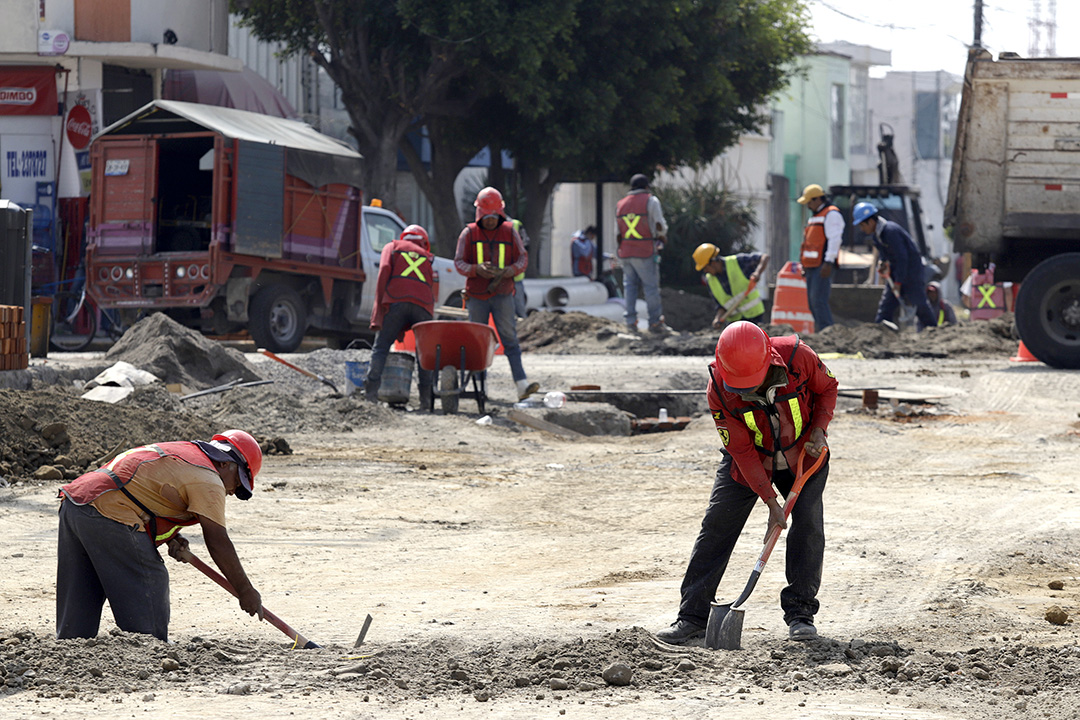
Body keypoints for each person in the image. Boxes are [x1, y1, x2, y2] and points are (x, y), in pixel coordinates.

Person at [656, 321, 837, 644]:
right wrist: (770, 501)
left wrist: (819, 428)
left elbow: (828, 388)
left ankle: (800, 614)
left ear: (769, 359)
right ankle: (692, 617)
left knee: (808, 526)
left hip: (804, 458)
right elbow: (740, 448)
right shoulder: (719, 389)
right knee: (716, 527)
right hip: (749, 462)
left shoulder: (798, 358)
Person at [56, 430, 264, 641]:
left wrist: (170, 536)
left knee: (80, 596)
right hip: (109, 514)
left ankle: (69, 649)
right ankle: (150, 649)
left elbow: (145, 490)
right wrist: (245, 590)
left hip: (75, 503)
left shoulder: (183, 453)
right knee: (150, 578)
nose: (232, 490)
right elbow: (218, 541)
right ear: (225, 463)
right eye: (237, 482)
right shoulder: (208, 478)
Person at [454, 187, 539, 401]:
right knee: (478, 342)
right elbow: (459, 262)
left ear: (500, 213)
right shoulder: (469, 233)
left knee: (510, 339)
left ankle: (521, 385)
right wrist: (476, 270)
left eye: (494, 216)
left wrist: (510, 271)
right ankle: (480, 389)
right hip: (477, 296)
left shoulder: (510, 231)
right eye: (487, 216)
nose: (490, 221)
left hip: (502, 293)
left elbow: (522, 259)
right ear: (479, 214)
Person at [365, 224, 436, 408]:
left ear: (405, 237)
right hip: (423, 307)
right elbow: (430, 289)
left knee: (381, 348)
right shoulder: (428, 257)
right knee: (424, 354)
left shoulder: (393, 246)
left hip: (395, 300)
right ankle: (426, 402)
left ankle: (370, 396)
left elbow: (384, 271)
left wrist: (378, 311)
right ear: (424, 242)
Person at [851, 202, 937, 330]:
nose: (862, 229)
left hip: (911, 271)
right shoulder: (877, 235)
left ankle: (933, 330)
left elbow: (902, 258)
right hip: (897, 272)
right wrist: (883, 263)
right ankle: (879, 331)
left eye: (862, 225)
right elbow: (885, 254)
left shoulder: (891, 232)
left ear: (870, 222)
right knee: (886, 305)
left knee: (918, 303)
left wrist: (898, 282)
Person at [616, 174, 671, 334]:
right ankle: (655, 322)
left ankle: (630, 322)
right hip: (645, 250)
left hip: (625, 252)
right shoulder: (650, 200)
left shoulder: (620, 204)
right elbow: (660, 225)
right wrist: (661, 236)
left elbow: (617, 232)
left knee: (630, 287)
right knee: (651, 288)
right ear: (646, 186)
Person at [796, 184, 843, 331]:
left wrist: (828, 262)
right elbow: (809, 242)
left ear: (817, 199)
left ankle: (827, 330)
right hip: (812, 265)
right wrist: (804, 263)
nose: (808, 206)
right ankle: (822, 329)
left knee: (818, 300)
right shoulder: (816, 217)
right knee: (812, 302)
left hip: (822, 265)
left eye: (809, 202)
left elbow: (835, 239)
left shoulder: (831, 214)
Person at [692, 243, 769, 328]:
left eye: (705, 267)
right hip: (734, 323)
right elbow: (720, 305)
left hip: (754, 317)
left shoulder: (737, 262)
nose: (705, 271)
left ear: (713, 262)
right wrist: (718, 318)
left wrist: (757, 273)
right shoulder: (710, 280)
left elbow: (764, 257)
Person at [510, 217, 531, 319]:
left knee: (519, 310)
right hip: (496, 279)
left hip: (514, 277)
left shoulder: (515, 225)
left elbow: (526, 248)